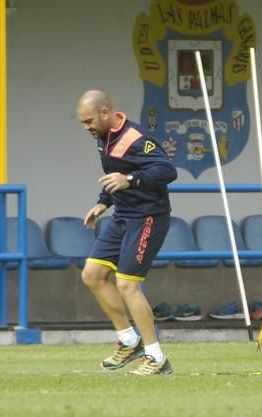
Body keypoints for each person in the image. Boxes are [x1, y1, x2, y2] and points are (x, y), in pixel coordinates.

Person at [76, 90, 178, 375]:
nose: (87, 128)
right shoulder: (103, 137)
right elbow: (115, 174)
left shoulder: (136, 138)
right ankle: (129, 340)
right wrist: (102, 202)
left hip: (148, 218)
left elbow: (167, 170)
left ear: (106, 112)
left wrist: (131, 180)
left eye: (89, 121)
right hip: (121, 216)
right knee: (92, 275)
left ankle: (157, 358)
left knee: (127, 284)